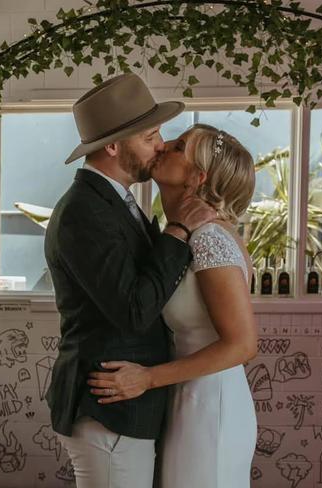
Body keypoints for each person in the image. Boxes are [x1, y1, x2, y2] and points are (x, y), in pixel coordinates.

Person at [44, 74, 217, 488]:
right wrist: (177, 230)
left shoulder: (119, 203)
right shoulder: (84, 211)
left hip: (128, 407)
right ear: (113, 146)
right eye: (151, 136)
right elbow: (135, 310)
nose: (160, 145)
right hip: (110, 406)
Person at [87, 123, 259, 488]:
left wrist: (147, 378)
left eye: (179, 147)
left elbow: (243, 344)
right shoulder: (183, 234)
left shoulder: (210, 239)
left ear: (197, 177)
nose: (163, 146)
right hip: (186, 396)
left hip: (212, 407)